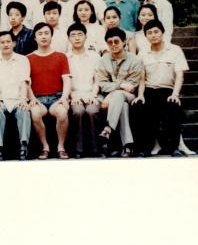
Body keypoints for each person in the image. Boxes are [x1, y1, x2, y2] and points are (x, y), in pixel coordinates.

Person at [131, 19, 189, 157]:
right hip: (149, 90)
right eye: (149, 33)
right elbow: (141, 78)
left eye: (156, 32)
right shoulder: (143, 53)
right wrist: (140, 95)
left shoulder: (175, 50)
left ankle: (174, 148)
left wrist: (175, 94)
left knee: (173, 106)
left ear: (162, 32)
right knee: (139, 107)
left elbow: (179, 75)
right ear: (146, 36)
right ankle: (144, 149)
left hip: (168, 90)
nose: (153, 35)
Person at [95, 27, 143, 157]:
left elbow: (132, 86)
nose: (113, 45)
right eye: (110, 42)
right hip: (114, 97)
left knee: (119, 95)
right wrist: (120, 85)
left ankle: (108, 128)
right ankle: (127, 145)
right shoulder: (103, 60)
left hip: (130, 96)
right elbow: (102, 84)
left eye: (116, 41)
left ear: (124, 42)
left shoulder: (135, 60)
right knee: (123, 105)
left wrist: (112, 93)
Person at [27, 22, 71, 160]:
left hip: (56, 98)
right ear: (35, 37)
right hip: (37, 98)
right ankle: (45, 147)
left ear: (51, 36)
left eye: (47, 33)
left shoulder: (61, 56)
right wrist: (32, 99)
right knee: (35, 113)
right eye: (40, 34)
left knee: (62, 112)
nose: (44, 36)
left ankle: (61, 147)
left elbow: (67, 79)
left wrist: (64, 98)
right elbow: (26, 83)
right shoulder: (28, 58)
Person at [0, 30, 31, 161]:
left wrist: (23, 99)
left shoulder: (22, 60)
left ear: (14, 43)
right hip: (0, 99)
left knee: (24, 110)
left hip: (17, 98)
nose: (5, 44)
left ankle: (24, 146)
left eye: (8, 41)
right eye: (2, 42)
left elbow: (24, 82)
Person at [67, 23, 101, 158]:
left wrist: (93, 95)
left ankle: (96, 148)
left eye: (80, 34)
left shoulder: (94, 56)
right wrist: (72, 95)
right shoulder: (65, 57)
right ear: (68, 38)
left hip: (92, 93)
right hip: (73, 95)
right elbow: (65, 81)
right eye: (73, 35)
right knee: (78, 111)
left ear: (86, 36)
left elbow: (97, 79)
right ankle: (78, 149)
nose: (77, 38)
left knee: (92, 111)